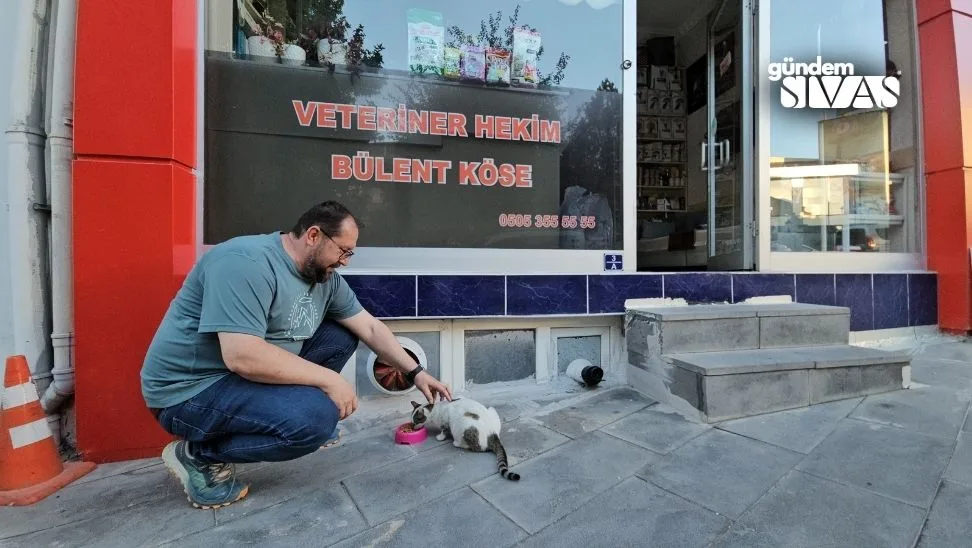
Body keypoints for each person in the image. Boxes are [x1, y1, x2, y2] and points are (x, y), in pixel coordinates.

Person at [140, 200, 452, 509]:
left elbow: (369, 327)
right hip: (189, 391)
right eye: (343, 251)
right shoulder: (244, 262)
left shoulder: (324, 278)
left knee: (342, 335)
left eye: (350, 253)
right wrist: (329, 381)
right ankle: (198, 454)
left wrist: (417, 372)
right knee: (313, 422)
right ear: (314, 235)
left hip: (238, 375)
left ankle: (293, 413)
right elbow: (242, 356)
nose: (345, 262)